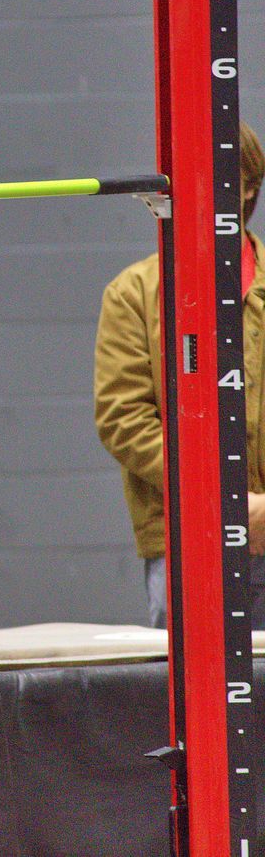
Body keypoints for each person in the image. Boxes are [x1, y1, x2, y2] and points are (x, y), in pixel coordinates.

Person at [95, 122, 265, 628]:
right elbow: (123, 419)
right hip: (189, 539)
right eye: (186, 175)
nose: (200, 189)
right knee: (192, 701)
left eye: (217, 174)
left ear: (249, 185)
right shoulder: (134, 293)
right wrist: (224, 497)